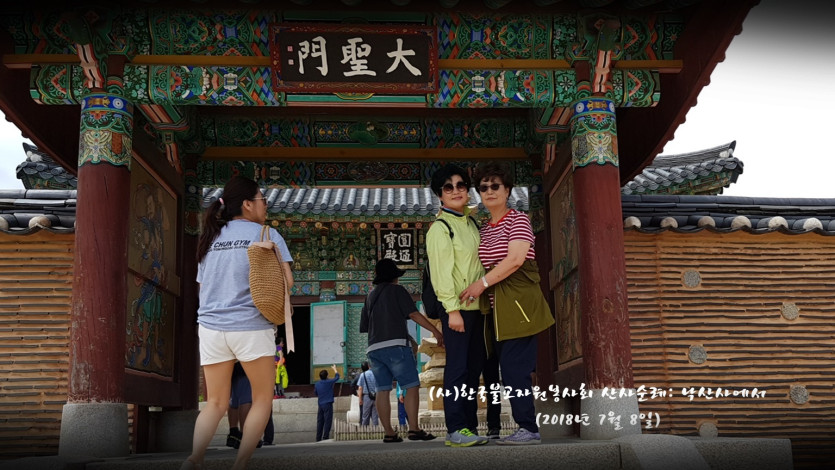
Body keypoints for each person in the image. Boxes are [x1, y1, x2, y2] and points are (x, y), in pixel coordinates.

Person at [182, 176, 294, 470]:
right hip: (251, 325)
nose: (265, 205)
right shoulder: (266, 234)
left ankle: (194, 459)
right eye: (262, 200)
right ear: (247, 204)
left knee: (215, 403)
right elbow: (287, 282)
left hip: (211, 327)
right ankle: (240, 464)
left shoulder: (210, 238)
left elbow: (202, 287)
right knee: (262, 399)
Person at [459, 162, 555, 446]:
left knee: (515, 369)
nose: (489, 191)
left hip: (518, 303)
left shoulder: (518, 220)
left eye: (495, 186)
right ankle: (523, 426)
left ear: (508, 190)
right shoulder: (484, 228)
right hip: (495, 310)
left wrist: (481, 284)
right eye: (483, 187)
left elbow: (515, 259)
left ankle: (528, 428)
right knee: (505, 370)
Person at [425, 163, 489, 447]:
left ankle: (470, 427)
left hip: (478, 308)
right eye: (448, 187)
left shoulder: (471, 223)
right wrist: (452, 311)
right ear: (440, 194)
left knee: (473, 369)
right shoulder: (441, 228)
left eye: (461, 185)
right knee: (458, 368)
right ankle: (455, 428)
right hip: (457, 309)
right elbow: (441, 274)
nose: (455, 191)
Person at [360, 258, 443, 443]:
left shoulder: (369, 296)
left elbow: (365, 326)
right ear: (394, 276)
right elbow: (413, 314)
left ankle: (389, 433)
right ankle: (414, 429)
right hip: (396, 345)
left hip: (374, 349)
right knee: (411, 386)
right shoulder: (397, 290)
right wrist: (436, 331)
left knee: (382, 389)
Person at [314, 364, 340, 441]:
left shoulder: (317, 384)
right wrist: (335, 369)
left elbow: (316, 393)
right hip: (328, 403)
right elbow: (337, 377)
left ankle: (318, 438)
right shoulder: (329, 382)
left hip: (320, 404)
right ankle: (325, 436)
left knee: (320, 421)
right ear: (327, 376)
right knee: (327, 421)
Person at [356, 361, 379, 426]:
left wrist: (360, 399)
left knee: (365, 416)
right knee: (375, 416)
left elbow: (360, 388)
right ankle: (376, 430)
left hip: (366, 397)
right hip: (375, 396)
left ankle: (365, 430)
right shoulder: (375, 374)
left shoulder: (363, 375)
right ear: (369, 366)